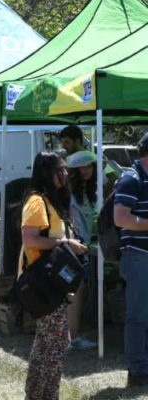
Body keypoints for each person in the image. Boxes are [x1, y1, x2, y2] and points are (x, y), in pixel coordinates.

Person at [20, 151, 88, 400]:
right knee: (56, 344)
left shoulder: (51, 202)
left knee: (49, 345)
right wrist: (66, 241)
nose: (66, 173)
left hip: (53, 284)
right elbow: (30, 240)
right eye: (60, 168)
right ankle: (41, 395)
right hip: (42, 285)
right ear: (47, 172)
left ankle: (43, 395)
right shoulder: (36, 201)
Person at [115, 133, 148, 389]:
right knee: (138, 315)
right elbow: (121, 218)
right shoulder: (131, 178)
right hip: (138, 257)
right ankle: (137, 372)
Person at [66, 151, 98, 351]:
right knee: (75, 290)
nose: (86, 171)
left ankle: (71, 334)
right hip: (71, 246)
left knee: (77, 289)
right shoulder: (68, 191)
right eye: (82, 168)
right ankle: (73, 336)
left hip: (81, 245)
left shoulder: (88, 190)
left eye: (90, 166)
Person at [61, 125, 119, 194]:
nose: (63, 146)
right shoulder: (68, 159)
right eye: (62, 143)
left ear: (77, 141)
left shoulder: (92, 157)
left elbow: (114, 177)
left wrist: (100, 196)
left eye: (67, 142)